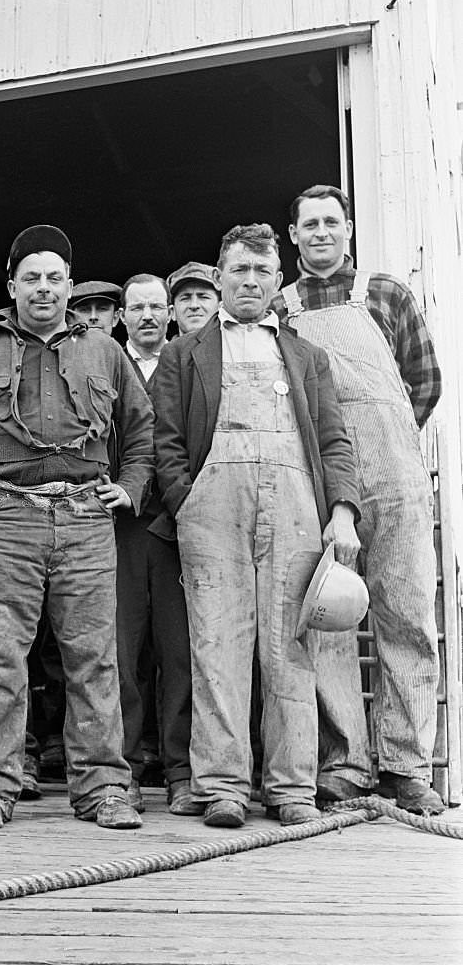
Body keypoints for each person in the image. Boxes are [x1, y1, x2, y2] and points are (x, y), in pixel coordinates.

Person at [0, 225, 155, 831]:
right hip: (5, 518)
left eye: (54, 278)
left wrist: (129, 487)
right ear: (11, 284)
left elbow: (142, 430)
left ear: (69, 286)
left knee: (93, 657)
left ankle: (102, 788)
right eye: (31, 278)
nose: (43, 289)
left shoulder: (105, 351)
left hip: (86, 519)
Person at [153, 223, 361, 829]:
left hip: (297, 505)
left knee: (291, 647)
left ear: (278, 282)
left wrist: (342, 510)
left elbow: (333, 438)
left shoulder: (305, 356)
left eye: (261, 273)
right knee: (216, 646)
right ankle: (221, 785)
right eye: (239, 271)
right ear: (220, 278)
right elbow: (166, 441)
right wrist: (185, 502)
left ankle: (292, 786)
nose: (249, 282)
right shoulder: (182, 354)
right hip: (211, 510)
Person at [274, 184, 444, 814]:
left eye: (331, 222)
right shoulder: (281, 305)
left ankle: (406, 766)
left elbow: (424, 382)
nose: (321, 233)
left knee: (405, 616)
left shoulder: (386, 292)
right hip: (319, 480)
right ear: (293, 236)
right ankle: (344, 763)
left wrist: (389, 442)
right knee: (330, 620)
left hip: (394, 475)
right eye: (309, 224)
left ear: (348, 229)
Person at [117, 273, 197, 816]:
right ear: (123, 317)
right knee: (119, 654)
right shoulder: (105, 364)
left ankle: (182, 771)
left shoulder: (187, 363)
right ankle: (121, 770)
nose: (147, 316)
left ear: (168, 315)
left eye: (155, 307)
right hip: (116, 528)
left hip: (175, 529)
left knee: (179, 654)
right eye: (136, 308)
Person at [168, 262, 220, 335]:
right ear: (172, 312)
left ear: (221, 306)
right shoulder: (164, 347)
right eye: (185, 298)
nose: (194, 305)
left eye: (203, 297)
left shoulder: (236, 346)